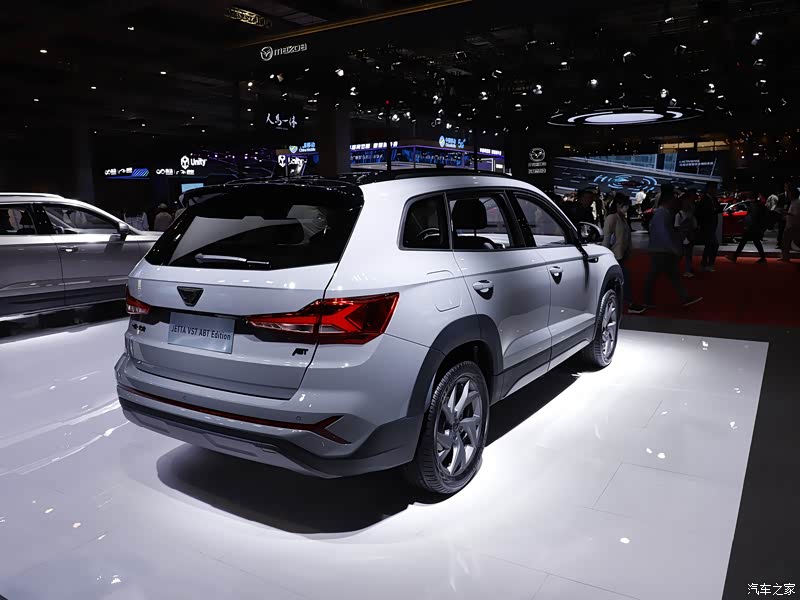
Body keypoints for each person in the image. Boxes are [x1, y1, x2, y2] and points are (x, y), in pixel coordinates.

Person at [643, 184, 703, 308]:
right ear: (669, 200)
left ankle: (683, 297)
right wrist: (673, 248)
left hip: (659, 248)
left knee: (666, 275)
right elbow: (664, 233)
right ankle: (648, 300)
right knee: (660, 275)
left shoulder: (662, 212)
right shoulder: (663, 213)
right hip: (661, 249)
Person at [603, 193, 645, 314]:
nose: (626, 208)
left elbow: (625, 237)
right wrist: (605, 254)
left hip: (620, 254)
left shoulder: (622, 218)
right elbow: (607, 237)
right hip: (613, 255)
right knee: (623, 279)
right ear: (618, 205)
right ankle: (629, 303)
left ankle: (621, 303)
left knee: (620, 280)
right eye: (624, 205)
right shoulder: (612, 218)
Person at [727, 195, 767, 263]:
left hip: (752, 227)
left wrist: (747, 224)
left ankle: (734, 256)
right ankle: (763, 258)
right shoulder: (756, 206)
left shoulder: (753, 206)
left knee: (744, 241)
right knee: (755, 242)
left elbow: (751, 217)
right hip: (754, 227)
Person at [695, 181, 722, 272]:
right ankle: (708, 264)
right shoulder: (704, 199)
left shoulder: (713, 199)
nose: (715, 190)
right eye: (714, 188)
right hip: (706, 226)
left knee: (709, 245)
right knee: (713, 244)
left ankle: (705, 264)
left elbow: (719, 209)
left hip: (712, 225)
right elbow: (700, 213)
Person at [674, 191, 698, 277]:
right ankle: (674, 269)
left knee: (688, 254)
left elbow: (694, 225)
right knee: (680, 254)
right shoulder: (679, 215)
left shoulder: (690, 214)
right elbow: (677, 226)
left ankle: (688, 270)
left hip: (689, 236)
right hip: (682, 237)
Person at [780, 185, 800, 262]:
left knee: (787, 242)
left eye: (789, 193)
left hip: (793, 225)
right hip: (791, 225)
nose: (788, 195)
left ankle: (785, 257)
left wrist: (786, 213)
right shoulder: (794, 202)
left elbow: (796, 214)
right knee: (787, 242)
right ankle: (785, 257)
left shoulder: (796, 203)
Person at [774, 181, 793, 249]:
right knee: (781, 230)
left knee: (790, 231)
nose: (787, 188)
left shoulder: (793, 196)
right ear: (784, 187)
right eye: (786, 186)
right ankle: (779, 243)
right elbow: (777, 206)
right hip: (782, 215)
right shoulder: (780, 196)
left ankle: (789, 244)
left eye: (789, 187)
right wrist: (781, 212)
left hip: (790, 216)